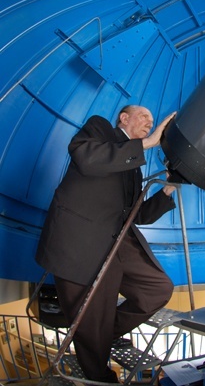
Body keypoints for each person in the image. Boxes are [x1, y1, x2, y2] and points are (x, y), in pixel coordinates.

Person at [35, 105, 177, 384]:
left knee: (158, 288)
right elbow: (87, 159)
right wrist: (147, 144)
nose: (150, 122)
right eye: (144, 116)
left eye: (152, 120)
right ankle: (100, 372)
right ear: (124, 118)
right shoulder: (100, 129)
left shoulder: (133, 166)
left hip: (119, 241)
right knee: (91, 328)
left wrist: (169, 187)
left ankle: (97, 332)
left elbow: (140, 214)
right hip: (80, 242)